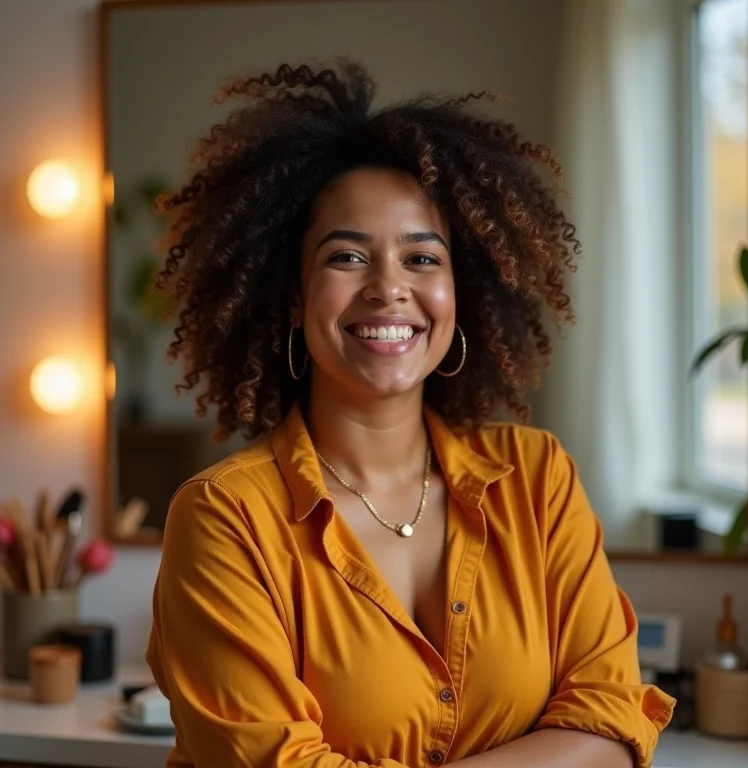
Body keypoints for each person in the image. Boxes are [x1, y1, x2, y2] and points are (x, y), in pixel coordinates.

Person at [146, 61, 674, 768]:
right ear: (295, 300)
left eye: (422, 258)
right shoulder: (224, 519)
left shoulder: (537, 478)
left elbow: (612, 720)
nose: (389, 288)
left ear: (462, 293)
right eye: (347, 256)